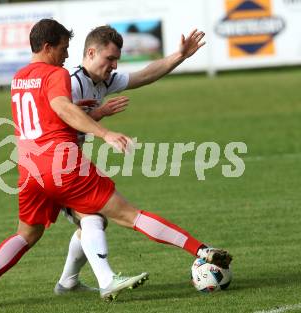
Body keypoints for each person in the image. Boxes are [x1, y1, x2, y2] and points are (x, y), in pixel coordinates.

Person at [0, 19, 231, 308]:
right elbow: (62, 110)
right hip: (62, 165)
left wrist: (179, 56)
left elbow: (143, 76)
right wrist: (102, 128)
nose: (66, 55)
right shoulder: (63, 77)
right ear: (51, 47)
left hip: (30, 168)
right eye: (64, 48)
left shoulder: (23, 77)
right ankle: (196, 252)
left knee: (29, 233)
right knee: (117, 216)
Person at [55, 26, 231, 299]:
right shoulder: (71, 82)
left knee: (92, 221)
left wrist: (179, 56)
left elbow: (144, 76)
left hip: (71, 163)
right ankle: (104, 280)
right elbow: (54, 122)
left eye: (116, 60)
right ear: (91, 52)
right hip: (56, 166)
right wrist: (100, 118)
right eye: (109, 59)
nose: (114, 66)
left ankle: (68, 283)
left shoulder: (104, 80)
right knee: (107, 217)